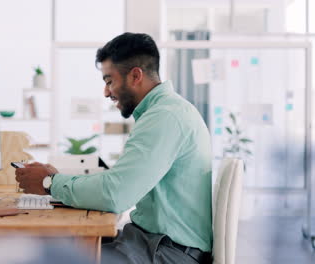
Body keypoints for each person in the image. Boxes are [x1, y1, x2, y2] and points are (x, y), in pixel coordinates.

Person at [15, 32, 213, 264]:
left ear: (135, 76)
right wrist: (56, 180)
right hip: (152, 243)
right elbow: (120, 184)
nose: (106, 92)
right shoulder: (166, 112)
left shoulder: (165, 117)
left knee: (48, 256)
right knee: (56, 246)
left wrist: (49, 183)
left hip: (168, 253)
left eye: (109, 81)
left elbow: (115, 194)